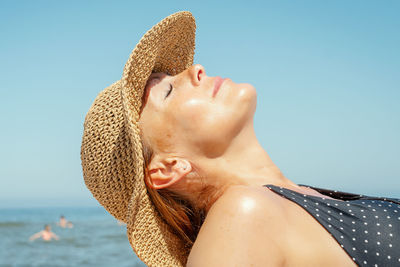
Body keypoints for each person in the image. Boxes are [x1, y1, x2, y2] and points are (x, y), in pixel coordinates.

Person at [80, 11, 400, 267]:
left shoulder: (282, 203)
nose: (197, 70)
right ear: (168, 167)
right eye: (168, 90)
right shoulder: (243, 214)